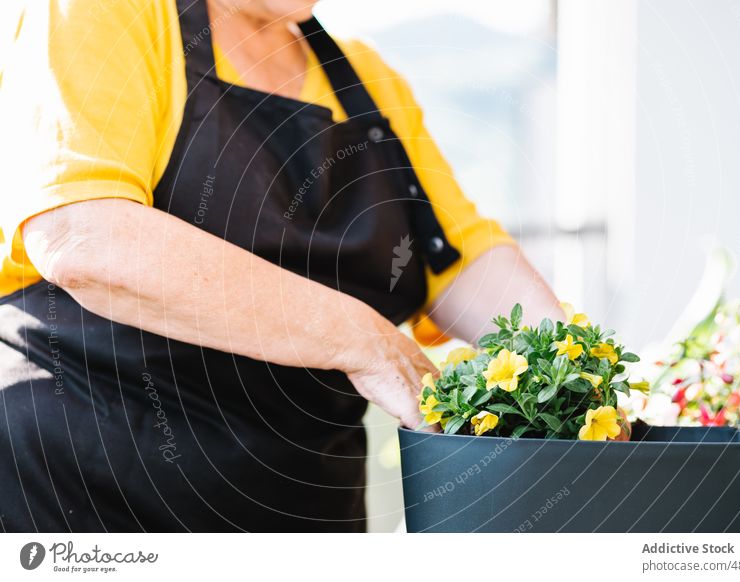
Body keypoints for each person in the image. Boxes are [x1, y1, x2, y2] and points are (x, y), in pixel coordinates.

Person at [0, 0, 562, 532]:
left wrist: (574, 368)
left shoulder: (367, 78)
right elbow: (84, 235)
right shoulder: (99, 13)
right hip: (83, 484)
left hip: (305, 499)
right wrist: (359, 338)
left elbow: (457, 260)